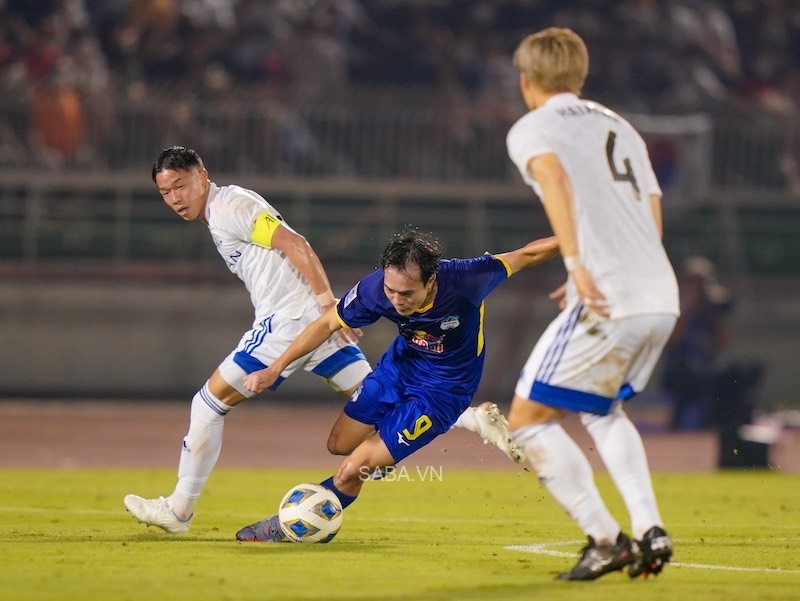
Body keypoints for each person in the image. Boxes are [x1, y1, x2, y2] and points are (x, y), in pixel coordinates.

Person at [123, 147, 521, 535]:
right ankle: (469, 418)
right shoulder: (222, 212)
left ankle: (178, 509)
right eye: (166, 193)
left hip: (289, 322)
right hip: (314, 324)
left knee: (207, 404)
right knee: (373, 412)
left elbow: (296, 244)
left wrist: (326, 302)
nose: (175, 198)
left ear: (202, 176)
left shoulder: (231, 208)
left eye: (180, 186)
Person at [234, 226, 559, 542]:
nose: (396, 300)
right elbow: (326, 323)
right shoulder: (375, 290)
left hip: (443, 392)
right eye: (391, 290)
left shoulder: (467, 278)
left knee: (351, 471)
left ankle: (294, 525)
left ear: (431, 281)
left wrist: (580, 240)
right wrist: (276, 368)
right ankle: (390, 451)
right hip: (398, 369)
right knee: (339, 445)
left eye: (406, 293)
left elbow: (528, 255)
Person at [504, 28, 680, 581]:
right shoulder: (620, 125)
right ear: (580, 77)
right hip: (660, 292)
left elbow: (554, 179)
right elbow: (651, 206)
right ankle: (650, 529)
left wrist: (579, 266)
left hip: (611, 293)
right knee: (601, 409)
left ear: (527, 81)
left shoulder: (532, 127)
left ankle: (606, 540)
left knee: (527, 421)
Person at [662, 256, 732, 431]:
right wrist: (689, 313)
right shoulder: (676, 305)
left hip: (706, 370)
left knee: (723, 385)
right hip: (679, 370)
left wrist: (716, 315)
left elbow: (724, 342)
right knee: (688, 387)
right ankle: (677, 431)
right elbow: (672, 342)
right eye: (695, 282)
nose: (699, 287)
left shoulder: (710, 309)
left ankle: (707, 428)